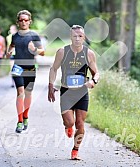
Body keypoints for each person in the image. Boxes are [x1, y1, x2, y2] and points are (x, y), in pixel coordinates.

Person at [48, 25, 100, 160]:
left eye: (80, 36)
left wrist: (93, 81)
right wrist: (50, 85)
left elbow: (96, 73)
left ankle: (75, 150)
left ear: (84, 37)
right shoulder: (62, 52)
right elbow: (53, 69)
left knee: (80, 124)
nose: (77, 39)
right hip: (66, 92)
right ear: (70, 37)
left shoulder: (89, 54)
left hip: (82, 92)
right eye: (74, 36)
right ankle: (68, 126)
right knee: (70, 123)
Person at [6, 10, 45, 133]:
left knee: (28, 93)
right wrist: (8, 52)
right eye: (21, 20)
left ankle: (26, 116)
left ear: (30, 22)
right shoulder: (15, 36)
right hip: (18, 67)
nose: (23, 22)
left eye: (26, 20)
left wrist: (34, 50)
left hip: (30, 68)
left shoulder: (34, 35)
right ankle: (19, 121)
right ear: (18, 22)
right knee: (20, 92)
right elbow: (11, 46)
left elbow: (43, 52)